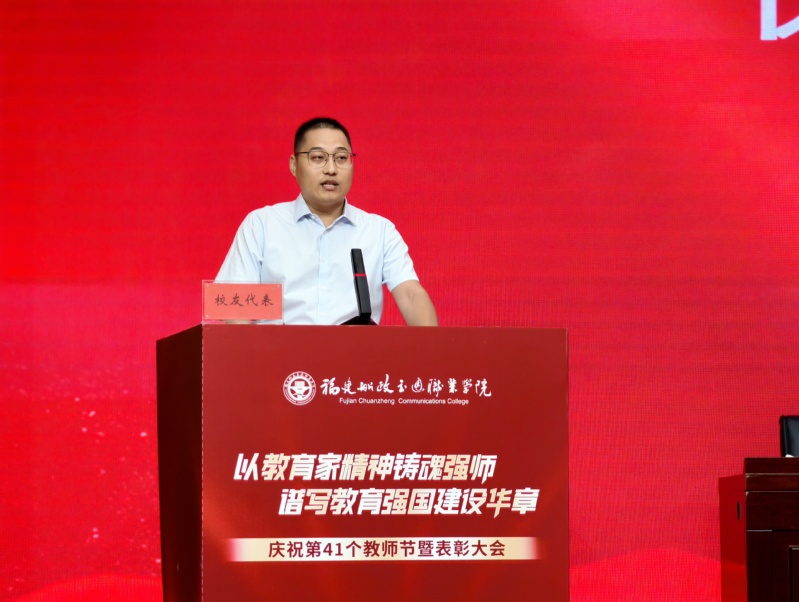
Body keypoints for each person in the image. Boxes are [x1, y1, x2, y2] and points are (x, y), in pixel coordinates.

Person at [215, 117, 438, 326]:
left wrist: (432, 348)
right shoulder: (262, 224)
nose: (331, 169)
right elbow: (233, 307)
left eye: (341, 158)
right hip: (277, 352)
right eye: (318, 158)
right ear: (294, 165)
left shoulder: (379, 231)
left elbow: (411, 294)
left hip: (355, 354)